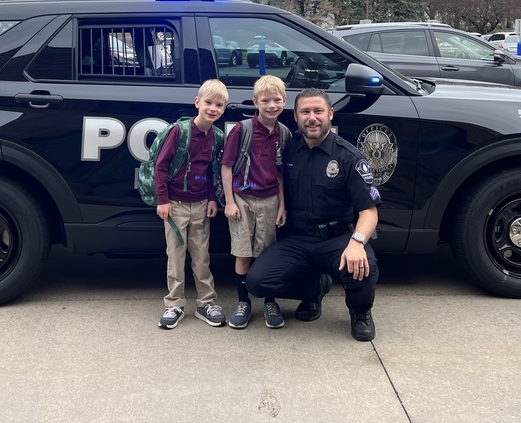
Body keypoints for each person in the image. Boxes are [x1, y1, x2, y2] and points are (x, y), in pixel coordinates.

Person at [246, 88, 381, 341]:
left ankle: (361, 312)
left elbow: (369, 210)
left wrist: (357, 243)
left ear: (330, 113)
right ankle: (313, 290)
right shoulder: (287, 149)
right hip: (297, 239)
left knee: (364, 266)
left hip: (336, 238)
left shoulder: (348, 157)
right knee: (257, 282)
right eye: (305, 112)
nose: (312, 118)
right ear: (296, 117)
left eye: (318, 111)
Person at [156, 79, 228, 329]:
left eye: (219, 105)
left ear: (224, 109)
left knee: (201, 256)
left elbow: (213, 172)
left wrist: (211, 198)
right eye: (208, 102)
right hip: (174, 204)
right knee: (175, 256)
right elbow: (160, 165)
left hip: (200, 205)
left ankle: (206, 302)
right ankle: (174, 303)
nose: (213, 108)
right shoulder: (180, 131)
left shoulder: (217, 137)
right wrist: (162, 200)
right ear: (197, 102)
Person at [220, 75, 289, 329]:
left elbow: (282, 173)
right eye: (266, 100)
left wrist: (282, 205)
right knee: (242, 251)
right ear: (255, 102)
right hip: (242, 198)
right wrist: (229, 201)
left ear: (285, 101)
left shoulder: (284, 134)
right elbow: (226, 167)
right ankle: (243, 302)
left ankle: (270, 301)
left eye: (277, 100)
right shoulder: (243, 130)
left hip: (270, 199)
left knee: (266, 251)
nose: (272, 105)